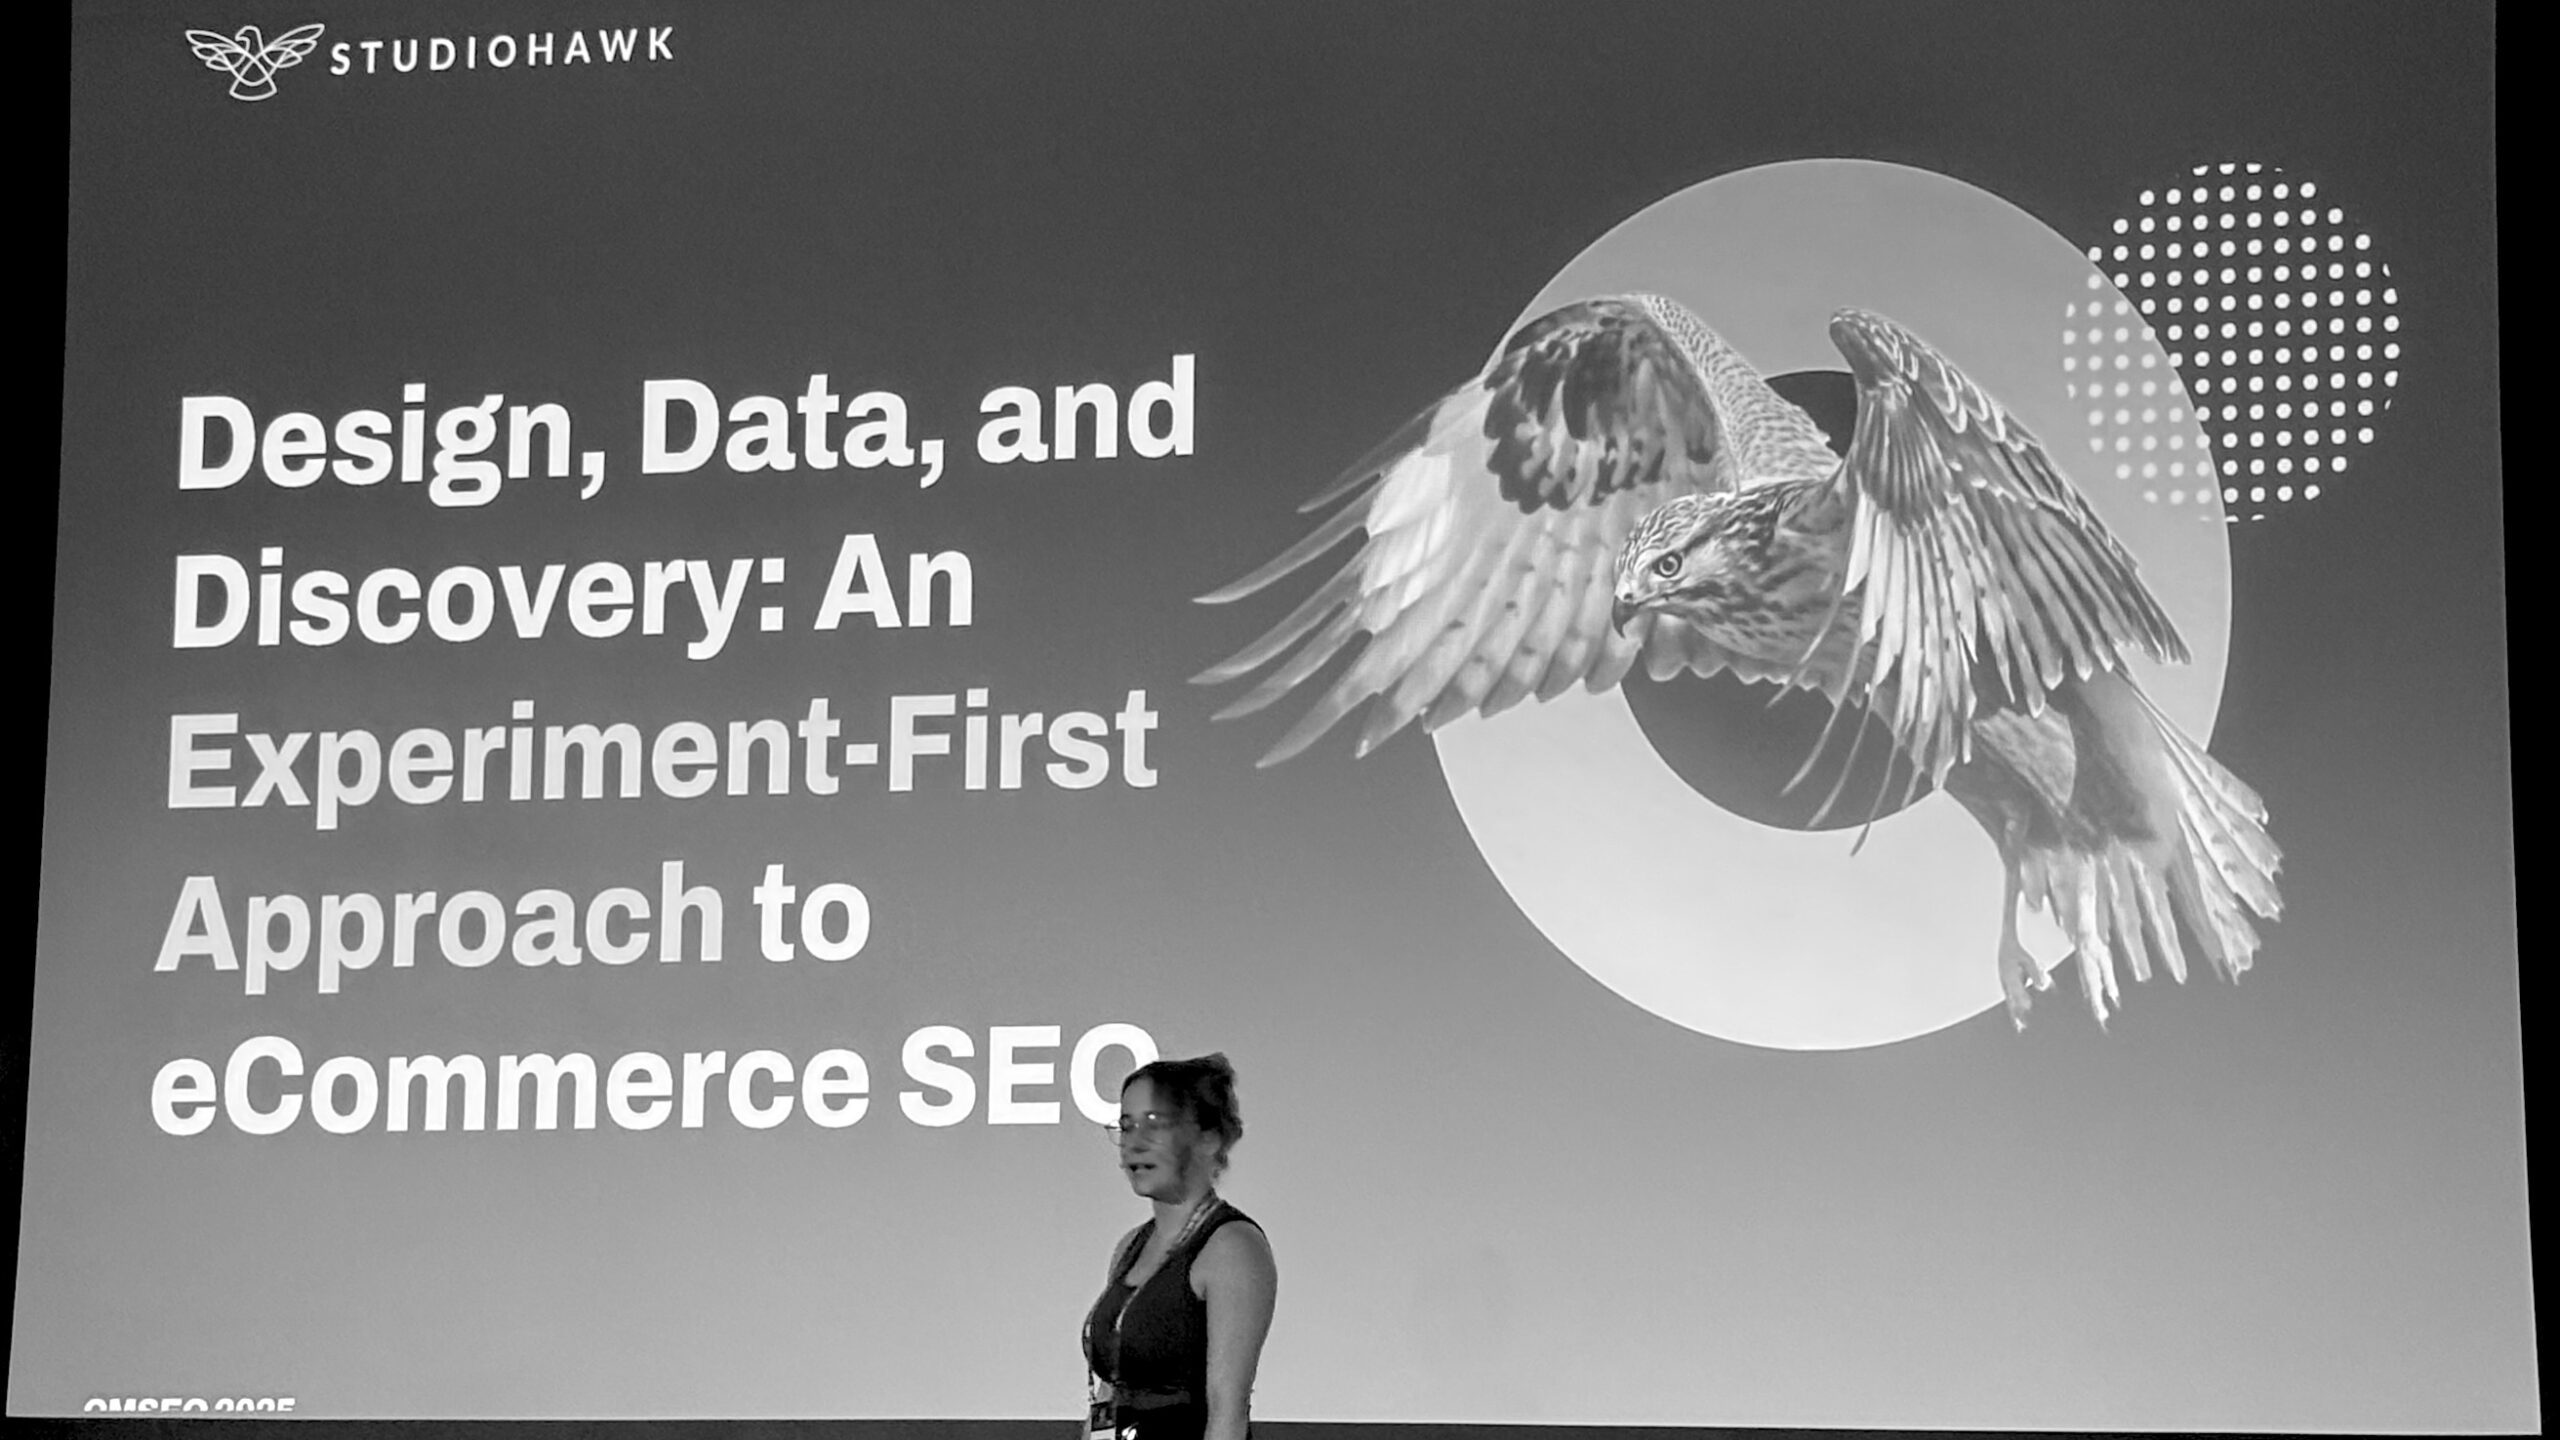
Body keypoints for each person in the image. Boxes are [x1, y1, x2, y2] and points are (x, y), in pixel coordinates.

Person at [1081, 1053, 1277, 1440]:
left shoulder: (1233, 1248)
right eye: (1127, 1126)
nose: (1134, 1144)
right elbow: (1108, 1396)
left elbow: (1227, 1416)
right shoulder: (1129, 1247)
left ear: (1209, 1138)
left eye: (1155, 1125)